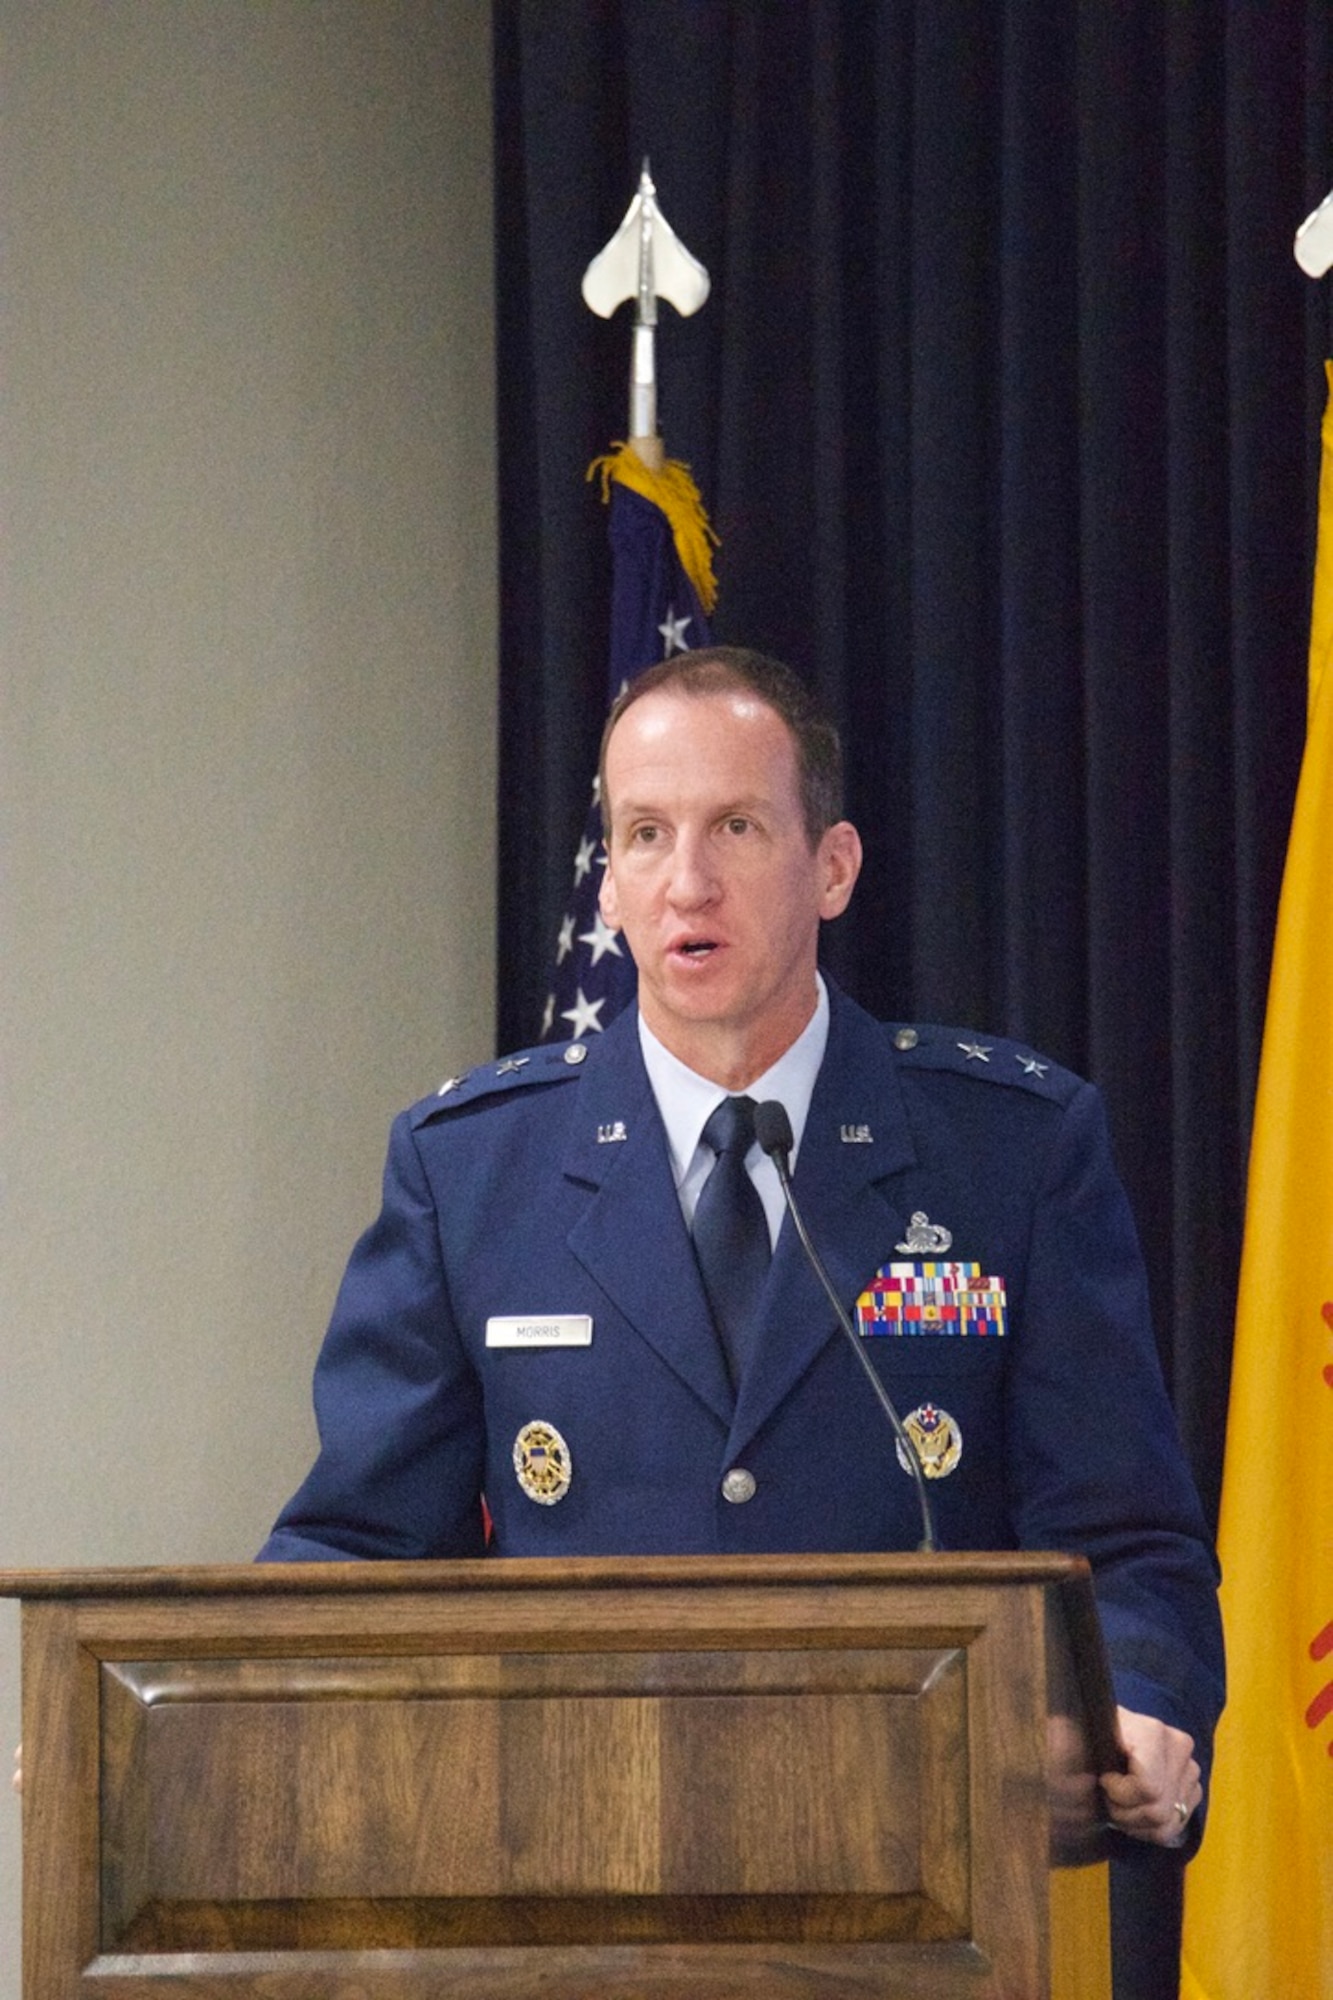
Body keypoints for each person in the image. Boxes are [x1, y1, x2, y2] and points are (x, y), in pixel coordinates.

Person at [260, 645, 1224, 1858]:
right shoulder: (470, 1170)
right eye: (647, 835)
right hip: (572, 1861)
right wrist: (155, 1720)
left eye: (736, 828)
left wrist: (1142, 1702)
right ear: (606, 883)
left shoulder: (1007, 1150)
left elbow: (1129, 1537)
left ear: (832, 866)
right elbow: (357, 1543)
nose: (686, 883)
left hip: (930, 1858)